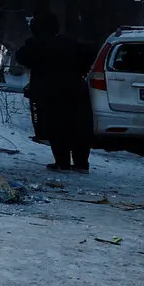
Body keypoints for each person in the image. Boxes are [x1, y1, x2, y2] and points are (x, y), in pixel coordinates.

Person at [16, 12, 94, 172]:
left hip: (49, 92)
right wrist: (81, 71)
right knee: (78, 126)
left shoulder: (35, 44)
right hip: (75, 89)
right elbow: (89, 56)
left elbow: (21, 57)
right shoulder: (71, 43)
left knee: (55, 127)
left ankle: (62, 162)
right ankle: (81, 163)